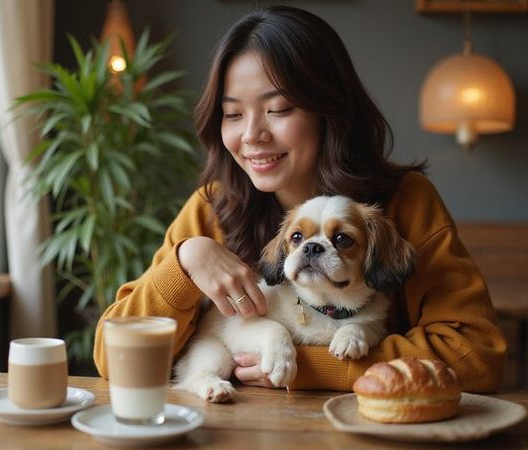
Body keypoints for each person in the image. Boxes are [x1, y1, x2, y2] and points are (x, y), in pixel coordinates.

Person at [93, 5, 506, 392]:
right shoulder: (212, 208)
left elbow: (476, 356)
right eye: (233, 114)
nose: (252, 134)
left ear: (329, 111)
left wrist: (312, 366)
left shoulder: (406, 202)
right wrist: (184, 264)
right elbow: (113, 358)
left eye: (279, 109)